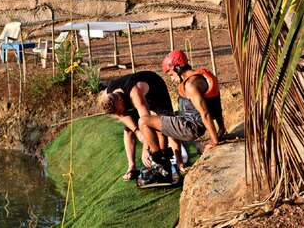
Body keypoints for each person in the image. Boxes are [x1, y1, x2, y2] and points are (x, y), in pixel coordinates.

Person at [137, 50, 226, 186]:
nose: (171, 79)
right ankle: (175, 163)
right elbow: (215, 104)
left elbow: (206, 114)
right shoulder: (202, 76)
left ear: (177, 68)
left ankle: (161, 167)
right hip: (187, 122)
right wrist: (222, 128)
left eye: (171, 74)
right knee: (162, 118)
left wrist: (215, 142)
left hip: (190, 127)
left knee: (143, 121)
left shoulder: (190, 85)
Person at [97, 71, 185, 181]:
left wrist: (146, 148)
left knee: (165, 125)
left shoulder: (135, 93)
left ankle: (176, 163)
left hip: (156, 89)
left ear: (120, 99)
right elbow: (122, 116)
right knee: (128, 130)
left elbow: (146, 122)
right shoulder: (109, 94)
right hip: (131, 99)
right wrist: (137, 132)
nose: (120, 113)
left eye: (119, 110)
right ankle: (132, 167)